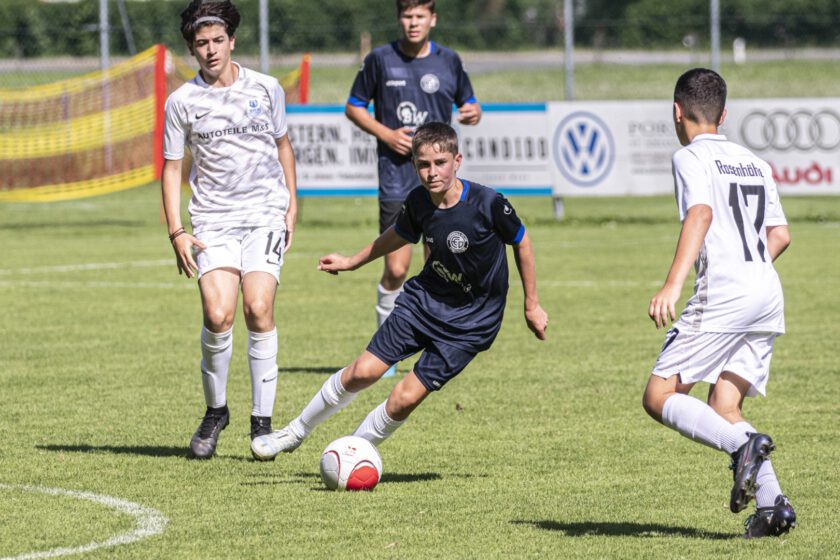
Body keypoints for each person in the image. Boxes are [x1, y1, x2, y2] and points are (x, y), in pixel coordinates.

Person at [251, 122, 547, 461]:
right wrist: (351, 262)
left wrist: (532, 306)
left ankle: (349, 455)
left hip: (471, 325)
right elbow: (398, 234)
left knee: (403, 398)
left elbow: (521, 241)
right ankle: (295, 432)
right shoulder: (419, 201)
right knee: (363, 371)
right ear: (414, 166)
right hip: (423, 303)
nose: (432, 172)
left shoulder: (488, 203)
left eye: (440, 163)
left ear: (457, 160)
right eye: (423, 164)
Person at [642, 68, 795, 538]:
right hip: (766, 290)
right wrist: (749, 271)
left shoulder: (690, 157)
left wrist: (672, 284)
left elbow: (701, 214)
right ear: (723, 114)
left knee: (659, 396)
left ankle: (740, 450)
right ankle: (774, 506)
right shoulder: (755, 162)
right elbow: (781, 235)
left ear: (676, 111)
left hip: (727, 293)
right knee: (726, 404)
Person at [160, 0, 297, 460]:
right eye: (202, 43)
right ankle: (216, 411)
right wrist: (177, 230)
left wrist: (292, 204)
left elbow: (283, 145)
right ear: (191, 49)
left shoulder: (267, 87)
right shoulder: (181, 102)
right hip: (213, 220)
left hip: (263, 214)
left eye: (218, 40)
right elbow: (172, 167)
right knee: (218, 315)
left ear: (232, 41)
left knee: (258, 308)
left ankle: (263, 424)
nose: (211, 49)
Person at [345, 0, 482, 376]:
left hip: (441, 184)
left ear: (432, 19)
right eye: (407, 16)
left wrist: (473, 111)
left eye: (420, 16)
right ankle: (383, 348)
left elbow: (469, 103)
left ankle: (436, 341)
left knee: (440, 265)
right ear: (398, 19)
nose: (413, 22)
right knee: (395, 269)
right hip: (397, 178)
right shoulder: (379, 60)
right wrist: (387, 133)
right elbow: (354, 106)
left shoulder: (449, 61)